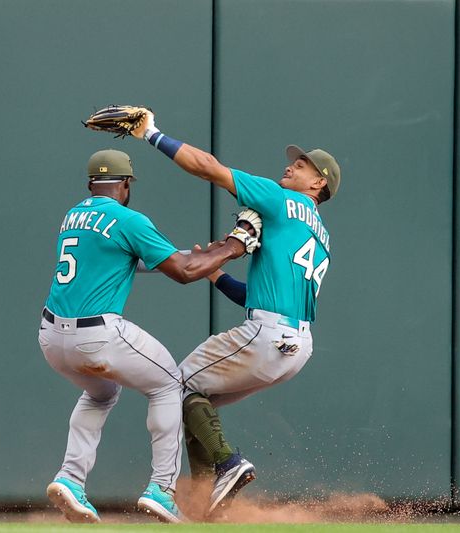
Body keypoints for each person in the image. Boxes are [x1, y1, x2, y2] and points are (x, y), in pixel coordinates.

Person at [128, 112, 341, 514]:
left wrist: (152, 134)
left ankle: (229, 463)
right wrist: (218, 276)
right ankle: (208, 504)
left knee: (174, 385)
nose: (292, 164)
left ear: (318, 183)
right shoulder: (322, 235)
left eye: (303, 164)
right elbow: (259, 294)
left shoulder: (282, 200)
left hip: (268, 334)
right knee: (194, 397)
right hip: (296, 344)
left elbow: (208, 167)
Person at [39, 149, 254, 524]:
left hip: (51, 339)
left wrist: (204, 256)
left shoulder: (72, 215)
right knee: (170, 384)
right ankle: (162, 490)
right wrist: (234, 246)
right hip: (97, 334)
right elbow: (184, 271)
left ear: (91, 183)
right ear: (126, 184)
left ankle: (71, 479)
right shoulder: (129, 219)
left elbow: (127, 258)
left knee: (100, 392)